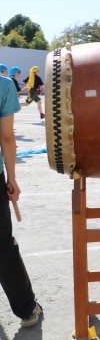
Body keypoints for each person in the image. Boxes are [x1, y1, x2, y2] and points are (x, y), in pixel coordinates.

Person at [0, 74, 43, 328]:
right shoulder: (4, 85)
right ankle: (27, 310)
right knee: (3, 246)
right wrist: (12, 179)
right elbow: (6, 137)